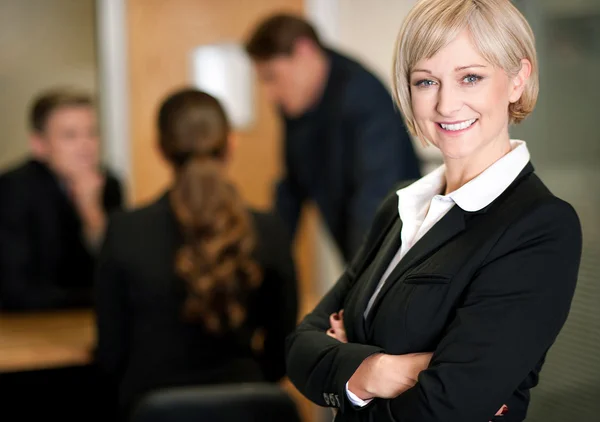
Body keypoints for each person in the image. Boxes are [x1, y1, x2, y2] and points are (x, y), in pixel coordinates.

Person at [285, 1, 583, 421]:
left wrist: (348, 365)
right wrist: (377, 370)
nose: (445, 104)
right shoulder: (402, 204)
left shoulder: (540, 226)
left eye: (471, 78)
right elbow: (301, 347)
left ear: (517, 79)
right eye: (426, 82)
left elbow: (447, 406)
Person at [94, 88, 298, 417]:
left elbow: (111, 356)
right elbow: (285, 351)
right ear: (231, 144)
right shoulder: (270, 230)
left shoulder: (124, 231)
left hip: (155, 412)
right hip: (251, 410)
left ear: (160, 149)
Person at [245, 14, 421, 262]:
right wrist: (268, 266)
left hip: (396, 255)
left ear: (304, 51)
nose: (270, 95)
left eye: (272, 77)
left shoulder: (362, 96)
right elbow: (292, 191)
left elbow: (375, 202)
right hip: (359, 251)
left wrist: (358, 284)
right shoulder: (297, 106)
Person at [0, 89, 123, 311]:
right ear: (39, 145)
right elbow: (15, 288)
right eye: (70, 136)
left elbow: (120, 273)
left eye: (91, 133)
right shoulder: (12, 189)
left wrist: (92, 214)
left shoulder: (109, 184)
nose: (86, 146)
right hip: (28, 326)